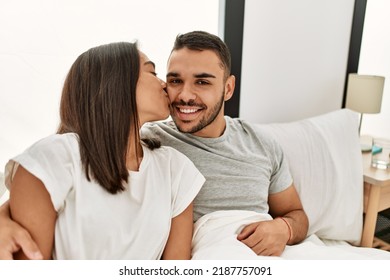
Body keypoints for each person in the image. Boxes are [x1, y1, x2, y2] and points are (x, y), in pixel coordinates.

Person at [0, 31, 307, 259]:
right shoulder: (152, 139)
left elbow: (295, 212)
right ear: (117, 86)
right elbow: (41, 182)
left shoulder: (251, 145)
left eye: (202, 82)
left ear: (228, 88)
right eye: (171, 78)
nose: (180, 93)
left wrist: (285, 229)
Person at [0, 42, 205, 260]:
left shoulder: (176, 170)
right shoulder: (54, 158)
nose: (165, 84)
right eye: (152, 72)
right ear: (116, 82)